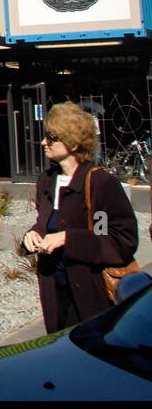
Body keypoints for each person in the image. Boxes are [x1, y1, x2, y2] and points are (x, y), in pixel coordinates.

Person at [22, 102, 138, 333]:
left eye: (51, 137)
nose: (44, 142)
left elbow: (116, 240)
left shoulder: (100, 184)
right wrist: (32, 235)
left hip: (91, 295)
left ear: (73, 143)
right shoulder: (46, 181)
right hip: (55, 293)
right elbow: (45, 223)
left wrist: (67, 239)